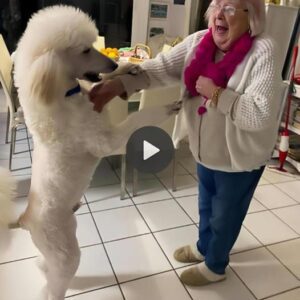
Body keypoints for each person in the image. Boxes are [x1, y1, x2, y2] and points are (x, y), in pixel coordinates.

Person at [89, 0, 282, 286]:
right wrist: (119, 84)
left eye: (230, 8)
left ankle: (215, 266)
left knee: (224, 217)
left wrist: (216, 94)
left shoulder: (263, 50)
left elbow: (259, 114)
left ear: (251, 16)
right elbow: (160, 68)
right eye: (217, 5)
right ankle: (205, 248)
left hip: (241, 159)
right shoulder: (199, 42)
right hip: (205, 152)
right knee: (206, 206)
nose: (219, 13)